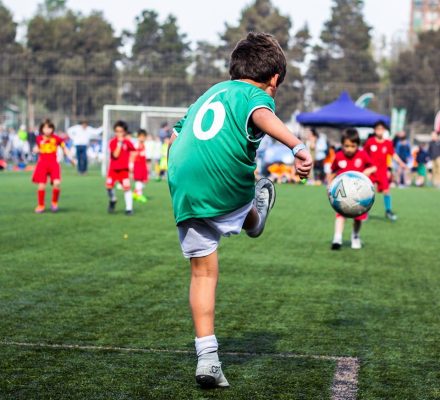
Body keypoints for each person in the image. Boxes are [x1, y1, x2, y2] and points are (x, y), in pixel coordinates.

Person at [167, 32, 312, 389]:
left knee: (203, 274)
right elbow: (261, 114)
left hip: (183, 185)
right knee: (247, 176)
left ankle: (208, 359)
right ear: (274, 79)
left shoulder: (210, 93)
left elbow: (176, 136)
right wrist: (297, 147)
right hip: (226, 185)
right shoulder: (254, 94)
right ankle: (254, 213)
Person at [329, 129, 376, 250]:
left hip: (358, 195)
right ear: (342, 144)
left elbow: (373, 167)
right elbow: (332, 172)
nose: (349, 149)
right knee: (340, 215)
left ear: (358, 145)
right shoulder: (339, 156)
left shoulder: (362, 155)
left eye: (352, 146)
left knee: (358, 218)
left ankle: (355, 235)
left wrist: (365, 174)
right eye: (346, 146)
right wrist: (329, 185)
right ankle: (337, 237)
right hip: (342, 193)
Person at [364, 121, 406, 221]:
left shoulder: (388, 143)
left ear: (384, 130)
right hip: (372, 172)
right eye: (378, 129)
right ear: (375, 130)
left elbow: (393, 155)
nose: (380, 131)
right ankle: (365, 212)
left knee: (387, 191)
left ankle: (388, 211)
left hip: (382, 172)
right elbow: (364, 155)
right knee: (369, 192)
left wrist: (401, 163)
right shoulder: (370, 142)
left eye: (381, 129)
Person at [32, 119, 75, 213]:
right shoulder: (39, 138)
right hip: (42, 164)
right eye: (45, 128)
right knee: (41, 186)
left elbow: (65, 148)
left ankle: (54, 203)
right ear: (42, 129)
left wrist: (71, 159)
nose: (47, 130)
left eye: (50, 128)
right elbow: (36, 148)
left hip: (53, 164)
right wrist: (36, 149)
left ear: (53, 129)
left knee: (57, 183)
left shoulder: (57, 138)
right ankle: (41, 205)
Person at [106, 121, 135, 215]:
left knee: (127, 188)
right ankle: (113, 200)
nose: (118, 133)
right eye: (117, 131)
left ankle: (129, 209)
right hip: (113, 170)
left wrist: (131, 164)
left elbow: (134, 152)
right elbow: (115, 154)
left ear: (125, 132)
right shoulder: (113, 142)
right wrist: (119, 143)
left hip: (124, 170)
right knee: (109, 187)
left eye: (121, 131)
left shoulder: (128, 142)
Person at [131, 129, 149, 203]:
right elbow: (132, 156)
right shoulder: (136, 145)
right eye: (140, 136)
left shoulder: (145, 145)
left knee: (143, 181)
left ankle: (135, 193)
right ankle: (139, 195)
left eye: (143, 137)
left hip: (143, 165)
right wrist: (131, 166)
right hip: (137, 165)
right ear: (138, 137)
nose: (142, 138)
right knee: (138, 180)